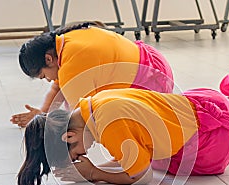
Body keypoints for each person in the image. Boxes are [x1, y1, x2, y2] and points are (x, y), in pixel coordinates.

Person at [17, 88, 229, 185]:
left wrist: (94, 175)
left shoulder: (109, 127)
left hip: (213, 147)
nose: (84, 155)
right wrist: (92, 171)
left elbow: (143, 177)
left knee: (160, 163)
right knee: (154, 129)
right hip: (210, 103)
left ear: (69, 135)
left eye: (77, 154)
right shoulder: (91, 104)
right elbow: (127, 154)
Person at [10, 22, 174, 127]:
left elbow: (80, 120)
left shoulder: (71, 67)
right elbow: (57, 88)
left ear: (48, 59)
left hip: (152, 85)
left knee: (86, 110)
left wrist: (47, 123)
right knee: (71, 93)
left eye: (44, 76)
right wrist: (43, 114)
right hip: (154, 62)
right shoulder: (66, 39)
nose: (48, 80)